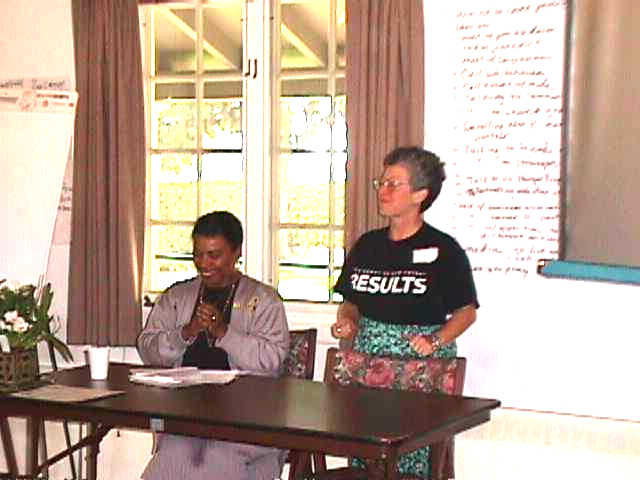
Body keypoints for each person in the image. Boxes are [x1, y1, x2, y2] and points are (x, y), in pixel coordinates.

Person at [331, 146, 478, 478]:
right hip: (367, 368)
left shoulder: (445, 250)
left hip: (418, 376)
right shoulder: (367, 246)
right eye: (381, 183)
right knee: (365, 463)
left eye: (393, 184)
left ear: (420, 195)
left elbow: (466, 313)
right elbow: (350, 299)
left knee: (409, 466)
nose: (383, 191)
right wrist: (348, 320)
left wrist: (436, 340)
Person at [137, 211, 290, 480]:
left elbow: (271, 361)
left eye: (214, 255)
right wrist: (185, 333)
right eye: (198, 254)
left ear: (236, 252)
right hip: (187, 417)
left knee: (215, 459)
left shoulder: (264, 300)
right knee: (173, 454)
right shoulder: (178, 296)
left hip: (249, 421)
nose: (204, 263)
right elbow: (147, 348)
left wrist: (223, 333)